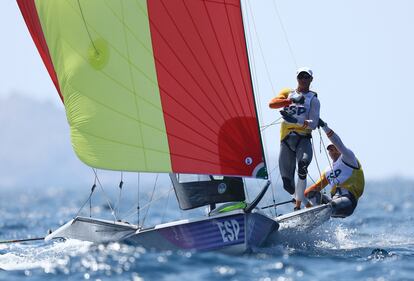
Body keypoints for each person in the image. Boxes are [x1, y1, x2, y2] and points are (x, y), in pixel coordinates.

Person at [269, 67, 320, 210]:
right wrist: (289, 101)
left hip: (303, 139)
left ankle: (298, 206)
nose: (303, 80)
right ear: (297, 78)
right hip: (286, 141)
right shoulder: (287, 93)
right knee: (287, 185)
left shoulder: (313, 99)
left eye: (306, 77)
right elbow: (271, 104)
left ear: (311, 79)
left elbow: (314, 124)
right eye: (301, 77)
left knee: (303, 166)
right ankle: (305, 202)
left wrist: (296, 121)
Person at [304, 120, 365, 218]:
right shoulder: (328, 171)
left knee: (331, 206)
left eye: (335, 148)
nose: (334, 151)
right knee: (310, 193)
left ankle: (322, 211)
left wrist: (325, 127)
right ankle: (308, 218)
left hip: (348, 202)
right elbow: (316, 187)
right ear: (328, 152)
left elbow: (338, 142)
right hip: (333, 202)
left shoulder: (348, 157)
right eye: (331, 149)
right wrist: (301, 196)